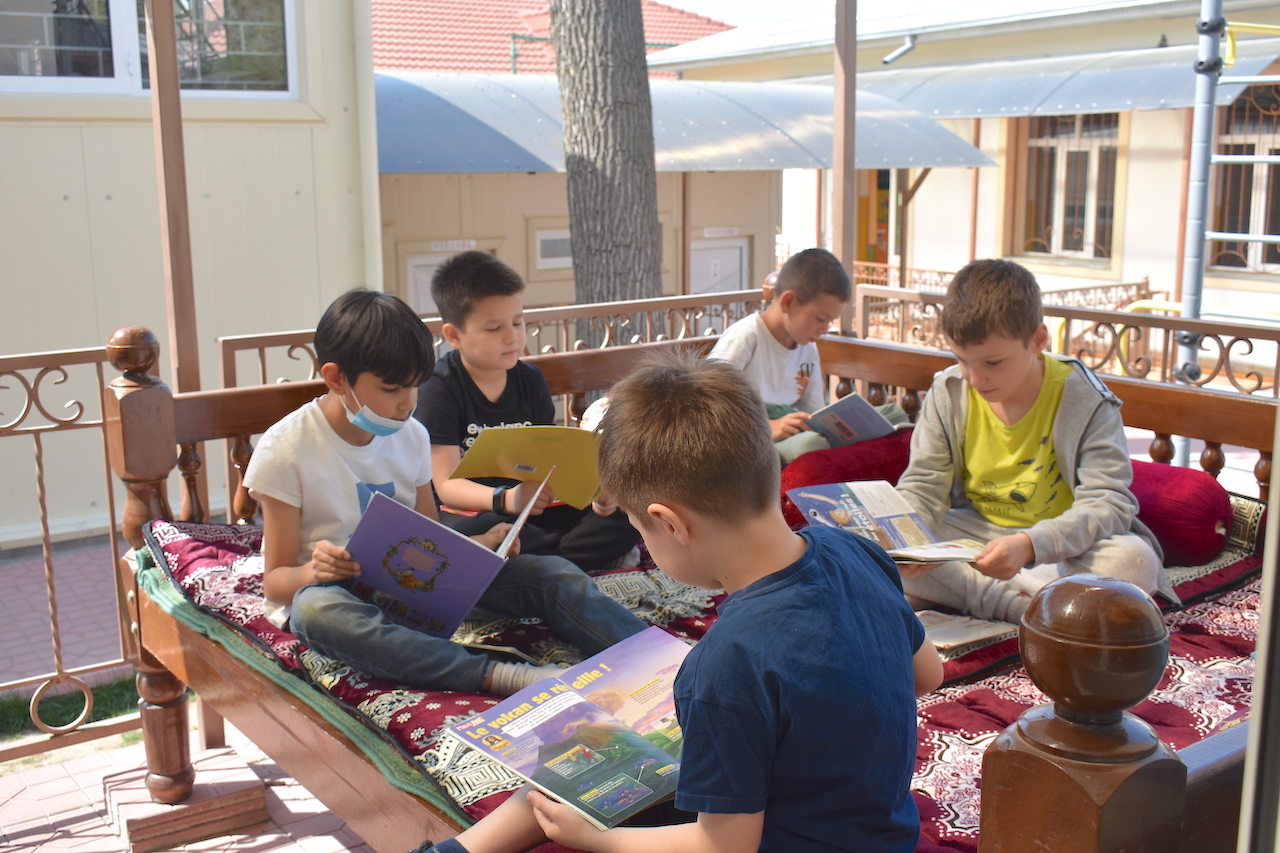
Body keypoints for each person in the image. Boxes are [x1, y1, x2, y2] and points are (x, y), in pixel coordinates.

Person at [412, 352, 943, 853]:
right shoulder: (855, 550)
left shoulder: (726, 663)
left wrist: (598, 839)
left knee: (582, 766)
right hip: (883, 832)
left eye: (638, 525)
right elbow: (927, 675)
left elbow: (724, 843)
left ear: (669, 523)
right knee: (602, 756)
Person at [243, 288, 645, 696]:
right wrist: (315, 571)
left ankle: (654, 658)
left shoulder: (411, 434)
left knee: (550, 573)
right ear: (335, 378)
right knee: (316, 613)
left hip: (413, 585)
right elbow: (276, 583)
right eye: (392, 389)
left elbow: (428, 537)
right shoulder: (286, 449)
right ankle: (497, 674)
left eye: (415, 387)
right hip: (336, 590)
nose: (407, 403)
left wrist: (477, 546)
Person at [894, 258, 1173, 624]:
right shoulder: (949, 391)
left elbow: (1109, 502)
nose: (975, 378)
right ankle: (1032, 611)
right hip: (975, 538)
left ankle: (996, 600)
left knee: (1133, 564)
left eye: (993, 362)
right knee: (873, 553)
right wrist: (905, 542)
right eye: (963, 361)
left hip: (1059, 547)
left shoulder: (1084, 398)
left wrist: (1030, 545)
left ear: (1038, 340)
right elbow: (924, 485)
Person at [415, 251, 641, 570]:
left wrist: (595, 493)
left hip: (534, 504)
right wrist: (508, 499)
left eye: (518, 322)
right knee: (474, 534)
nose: (513, 336)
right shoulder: (440, 387)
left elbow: (551, 461)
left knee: (625, 512)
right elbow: (447, 487)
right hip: (478, 510)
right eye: (494, 328)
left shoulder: (530, 380)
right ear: (454, 335)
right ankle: (561, 561)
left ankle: (541, 563)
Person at [709, 247, 908, 464]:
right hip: (752, 435)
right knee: (811, 446)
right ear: (789, 302)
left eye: (830, 321)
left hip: (794, 426)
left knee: (895, 415)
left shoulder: (807, 347)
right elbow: (705, 403)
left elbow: (814, 410)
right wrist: (768, 426)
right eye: (821, 319)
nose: (825, 329)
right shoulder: (747, 336)